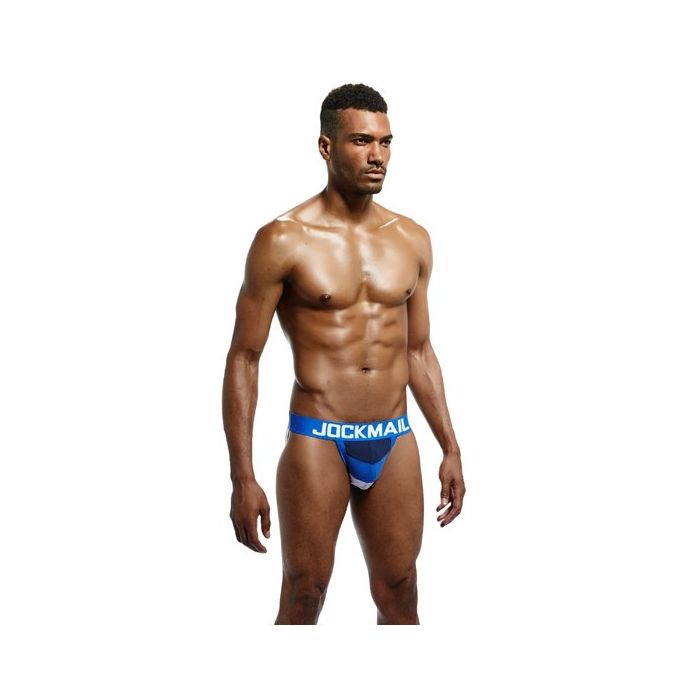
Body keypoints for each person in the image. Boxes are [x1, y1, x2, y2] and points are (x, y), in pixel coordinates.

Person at [222, 83, 464, 625]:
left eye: (385, 142)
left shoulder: (412, 239)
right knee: (305, 592)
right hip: (318, 437)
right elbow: (244, 358)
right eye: (361, 141)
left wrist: (450, 445)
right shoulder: (283, 239)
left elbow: (418, 349)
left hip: (394, 434)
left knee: (400, 589)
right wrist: (242, 476)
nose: (377, 155)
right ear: (326, 147)